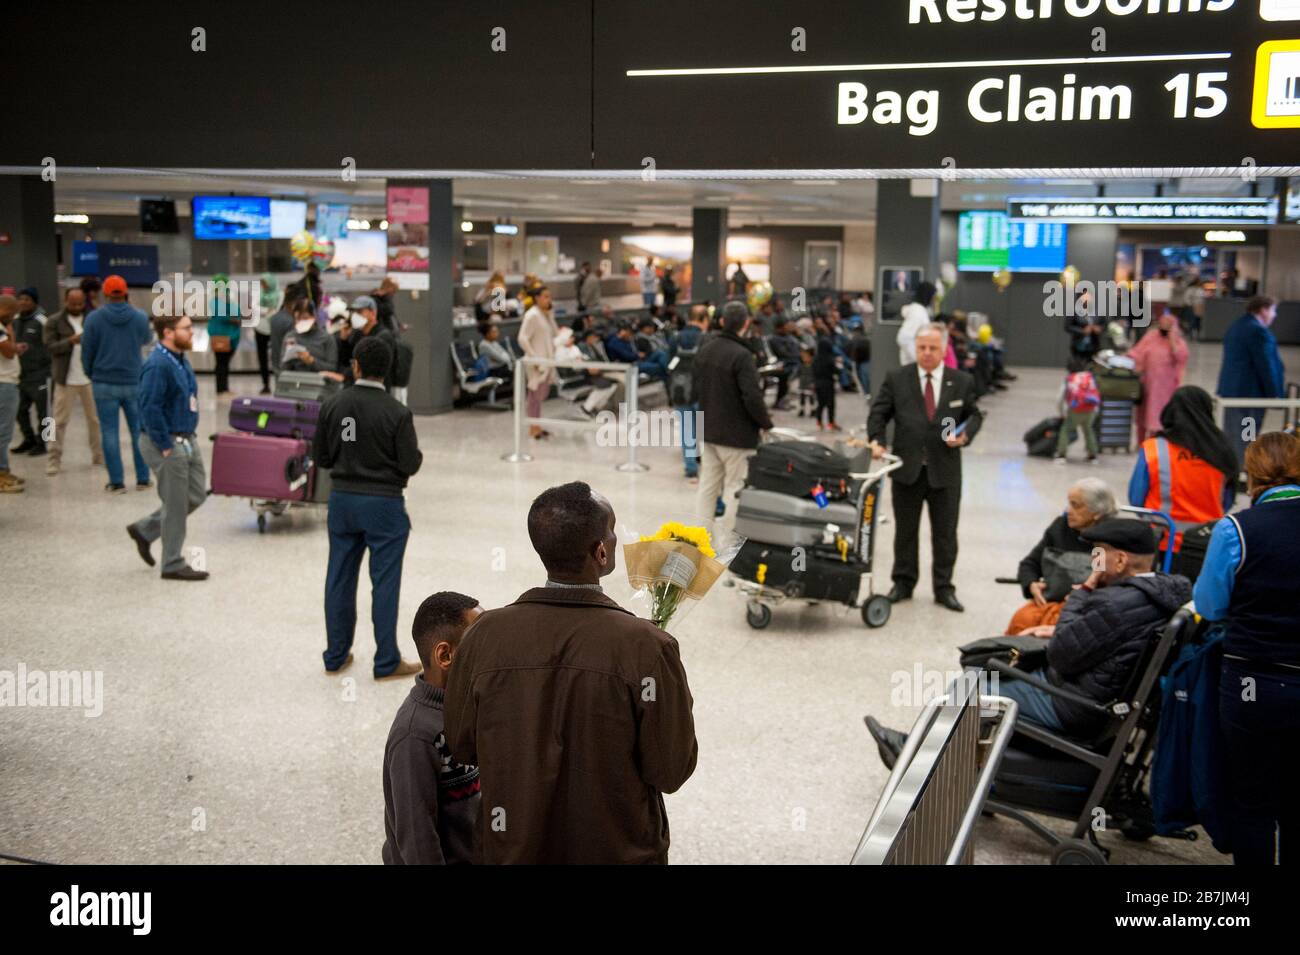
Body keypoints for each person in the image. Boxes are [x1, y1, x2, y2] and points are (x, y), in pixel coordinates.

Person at [444, 482, 698, 864]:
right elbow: (671, 770)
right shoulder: (647, 646)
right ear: (600, 552)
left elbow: (462, 745)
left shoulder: (484, 636)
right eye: (612, 530)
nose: (615, 538)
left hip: (513, 848)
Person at [1193, 432, 1300, 865]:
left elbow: (1210, 605)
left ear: (1252, 475)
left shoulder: (1236, 528)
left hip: (1253, 681)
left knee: (1252, 800)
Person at [983, 519, 1190, 736]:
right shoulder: (1163, 593)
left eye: (1097, 554)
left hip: (1072, 704)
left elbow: (1059, 655)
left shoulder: (1114, 603)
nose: (1093, 561)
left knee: (971, 684)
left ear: (1120, 560)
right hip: (1099, 699)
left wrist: (1083, 590)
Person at [313, 336, 424, 680]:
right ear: (387, 370)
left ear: (355, 365)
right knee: (385, 582)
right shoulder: (397, 411)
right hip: (384, 506)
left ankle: (335, 656)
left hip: (343, 502)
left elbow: (322, 457)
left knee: (339, 578)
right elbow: (410, 463)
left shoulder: (334, 404)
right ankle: (386, 661)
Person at [868, 322, 983, 612]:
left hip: (945, 471)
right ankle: (903, 582)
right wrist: (876, 440)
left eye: (933, 348)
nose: (927, 353)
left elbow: (974, 415)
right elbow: (879, 413)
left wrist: (965, 435)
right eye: (922, 348)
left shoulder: (961, 381)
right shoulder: (898, 378)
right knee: (905, 532)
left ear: (944, 349)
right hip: (907, 470)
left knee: (945, 534)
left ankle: (944, 588)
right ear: (915, 349)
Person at [381, 591, 483, 866]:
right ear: (445, 655)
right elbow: (417, 841)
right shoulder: (415, 736)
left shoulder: (468, 705)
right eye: (479, 645)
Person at [127, 312, 208, 581]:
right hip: (165, 441)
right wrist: (164, 444)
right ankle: (172, 562)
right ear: (168, 333)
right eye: (186, 328)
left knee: (196, 494)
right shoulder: (158, 365)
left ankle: (145, 529)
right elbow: (149, 407)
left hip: (186, 437)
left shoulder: (179, 360)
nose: (192, 332)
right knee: (174, 504)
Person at [692, 301, 774, 531]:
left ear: (721, 322)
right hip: (737, 436)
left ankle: (701, 540)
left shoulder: (706, 349)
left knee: (707, 486)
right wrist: (765, 423)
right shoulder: (742, 355)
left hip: (708, 430)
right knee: (735, 487)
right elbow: (752, 397)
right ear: (746, 323)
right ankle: (729, 543)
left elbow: (696, 388)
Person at [1127, 385, 1236, 554]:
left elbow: (1136, 499)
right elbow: (1227, 502)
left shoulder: (1154, 449)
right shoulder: (1223, 451)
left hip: (1162, 544)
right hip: (1208, 544)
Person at [1006, 478, 1117, 635]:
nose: (1068, 510)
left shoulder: (1111, 539)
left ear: (1096, 513)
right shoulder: (1060, 527)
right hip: (1051, 601)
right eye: (1069, 503)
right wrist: (1031, 584)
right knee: (1022, 620)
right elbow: (1030, 563)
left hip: (1088, 609)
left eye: (1075, 505)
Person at [82, 274, 153, 493]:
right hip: (133, 380)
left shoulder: (93, 318)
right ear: (126, 293)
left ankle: (117, 482)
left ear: (104, 293)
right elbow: (147, 339)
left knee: (109, 432)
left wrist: (91, 372)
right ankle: (142, 479)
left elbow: (87, 351)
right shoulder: (139, 317)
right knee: (138, 432)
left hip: (103, 382)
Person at [1217, 295, 1286, 470]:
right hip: (1249, 396)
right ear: (1263, 310)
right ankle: (1243, 470)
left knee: (1233, 433)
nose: (1274, 315)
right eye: (1273, 310)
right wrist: (1275, 394)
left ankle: (1233, 467)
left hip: (1232, 392)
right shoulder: (1258, 332)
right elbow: (1267, 365)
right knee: (1247, 435)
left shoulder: (1237, 326)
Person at [43, 288, 103, 476]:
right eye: (73, 303)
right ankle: (53, 459)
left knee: (94, 421)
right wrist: (70, 341)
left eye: (80, 303)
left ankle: (98, 456)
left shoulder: (93, 318)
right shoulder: (54, 321)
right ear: (65, 301)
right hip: (65, 379)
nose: (77, 307)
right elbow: (50, 347)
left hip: (88, 379)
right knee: (56, 421)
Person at [1129, 307, 1189, 444]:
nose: (1163, 327)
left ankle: (1155, 444)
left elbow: (1181, 357)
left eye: (1168, 325)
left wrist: (1173, 341)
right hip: (1147, 384)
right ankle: (1140, 443)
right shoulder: (1151, 337)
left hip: (1165, 388)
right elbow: (1137, 352)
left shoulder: (1178, 342)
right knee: (1143, 416)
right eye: (1162, 324)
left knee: (1158, 417)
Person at [11, 288, 50, 457]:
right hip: (21, 374)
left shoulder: (42, 320)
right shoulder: (15, 320)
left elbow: (51, 344)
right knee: (19, 409)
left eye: (27, 299)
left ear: (34, 302)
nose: (23, 302)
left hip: (41, 373)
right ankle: (29, 439)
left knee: (45, 412)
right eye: (21, 299)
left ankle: (46, 442)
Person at [518, 285, 559, 440]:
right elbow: (522, 338)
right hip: (536, 361)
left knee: (540, 394)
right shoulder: (532, 315)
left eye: (550, 296)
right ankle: (533, 427)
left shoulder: (545, 315)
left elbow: (555, 333)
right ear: (537, 298)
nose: (549, 300)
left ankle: (536, 425)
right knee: (534, 394)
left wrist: (551, 316)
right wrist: (533, 356)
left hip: (546, 360)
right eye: (546, 296)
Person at [342, 296, 396, 389]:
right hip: (355, 388)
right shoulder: (357, 334)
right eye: (353, 312)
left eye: (359, 312)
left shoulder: (383, 336)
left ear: (373, 313)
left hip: (376, 391)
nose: (355, 316)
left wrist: (344, 375)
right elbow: (346, 360)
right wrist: (343, 340)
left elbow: (370, 368)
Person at [1054, 360, 1101, 464]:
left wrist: (1061, 413)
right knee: (1088, 430)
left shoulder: (1070, 379)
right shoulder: (1089, 377)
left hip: (1075, 410)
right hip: (1091, 410)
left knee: (1065, 430)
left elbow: (1059, 399)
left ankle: (1061, 455)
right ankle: (1093, 456)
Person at [280, 300, 341, 379]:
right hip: (296, 383)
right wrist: (289, 356)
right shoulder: (290, 337)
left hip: (319, 384)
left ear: (314, 317)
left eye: (305, 318)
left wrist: (311, 361)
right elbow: (282, 368)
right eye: (298, 318)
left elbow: (332, 368)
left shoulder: (327, 338)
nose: (301, 322)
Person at [0, 296, 24, 492]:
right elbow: (8, 351)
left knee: (5, 432)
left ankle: (4, 469)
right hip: (3, 384)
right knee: (3, 432)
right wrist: (10, 331)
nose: (13, 317)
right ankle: (1, 475)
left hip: (8, 383)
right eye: (12, 312)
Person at [207, 274, 242, 396]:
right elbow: (223, 316)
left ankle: (224, 388)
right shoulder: (216, 300)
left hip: (229, 336)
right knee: (221, 363)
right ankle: (221, 389)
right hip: (221, 336)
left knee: (224, 363)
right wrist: (235, 319)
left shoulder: (224, 299)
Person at [895, 281, 935, 366]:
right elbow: (903, 338)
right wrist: (919, 358)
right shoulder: (917, 312)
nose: (933, 300)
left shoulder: (920, 311)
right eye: (932, 297)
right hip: (913, 365)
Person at [253, 272, 279, 394]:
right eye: (262, 283)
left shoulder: (279, 294)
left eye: (265, 283)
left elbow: (277, 310)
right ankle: (265, 384)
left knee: (277, 357)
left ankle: (279, 383)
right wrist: (266, 310)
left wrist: (267, 311)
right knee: (262, 358)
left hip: (275, 329)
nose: (263, 286)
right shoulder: (259, 294)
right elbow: (254, 308)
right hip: (260, 329)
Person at [769, 317, 802, 411]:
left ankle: (785, 400)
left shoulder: (790, 337)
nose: (788, 328)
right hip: (783, 363)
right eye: (786, 326)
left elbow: (798, 347)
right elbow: (782, 353)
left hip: (794, 362)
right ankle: (780, 401)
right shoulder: (774, 339)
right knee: (786, 375)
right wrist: (796, 355)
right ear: (779, 328)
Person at [812, 330, 840, 431]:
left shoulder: (815, 359)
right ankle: (831, 423)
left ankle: (819, 422)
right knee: (830, 404)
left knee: (820, 404)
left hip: (818, 383)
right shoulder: (829, 359)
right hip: (828, 384)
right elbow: (836, 371)